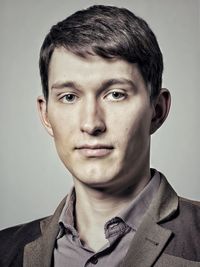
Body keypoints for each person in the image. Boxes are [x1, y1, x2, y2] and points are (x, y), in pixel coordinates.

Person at [0, 4, 200, 267]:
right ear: (46, 115)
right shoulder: (5, 250)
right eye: (69, 97)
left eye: (116, 94)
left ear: (157, 110)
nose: (91, 123)